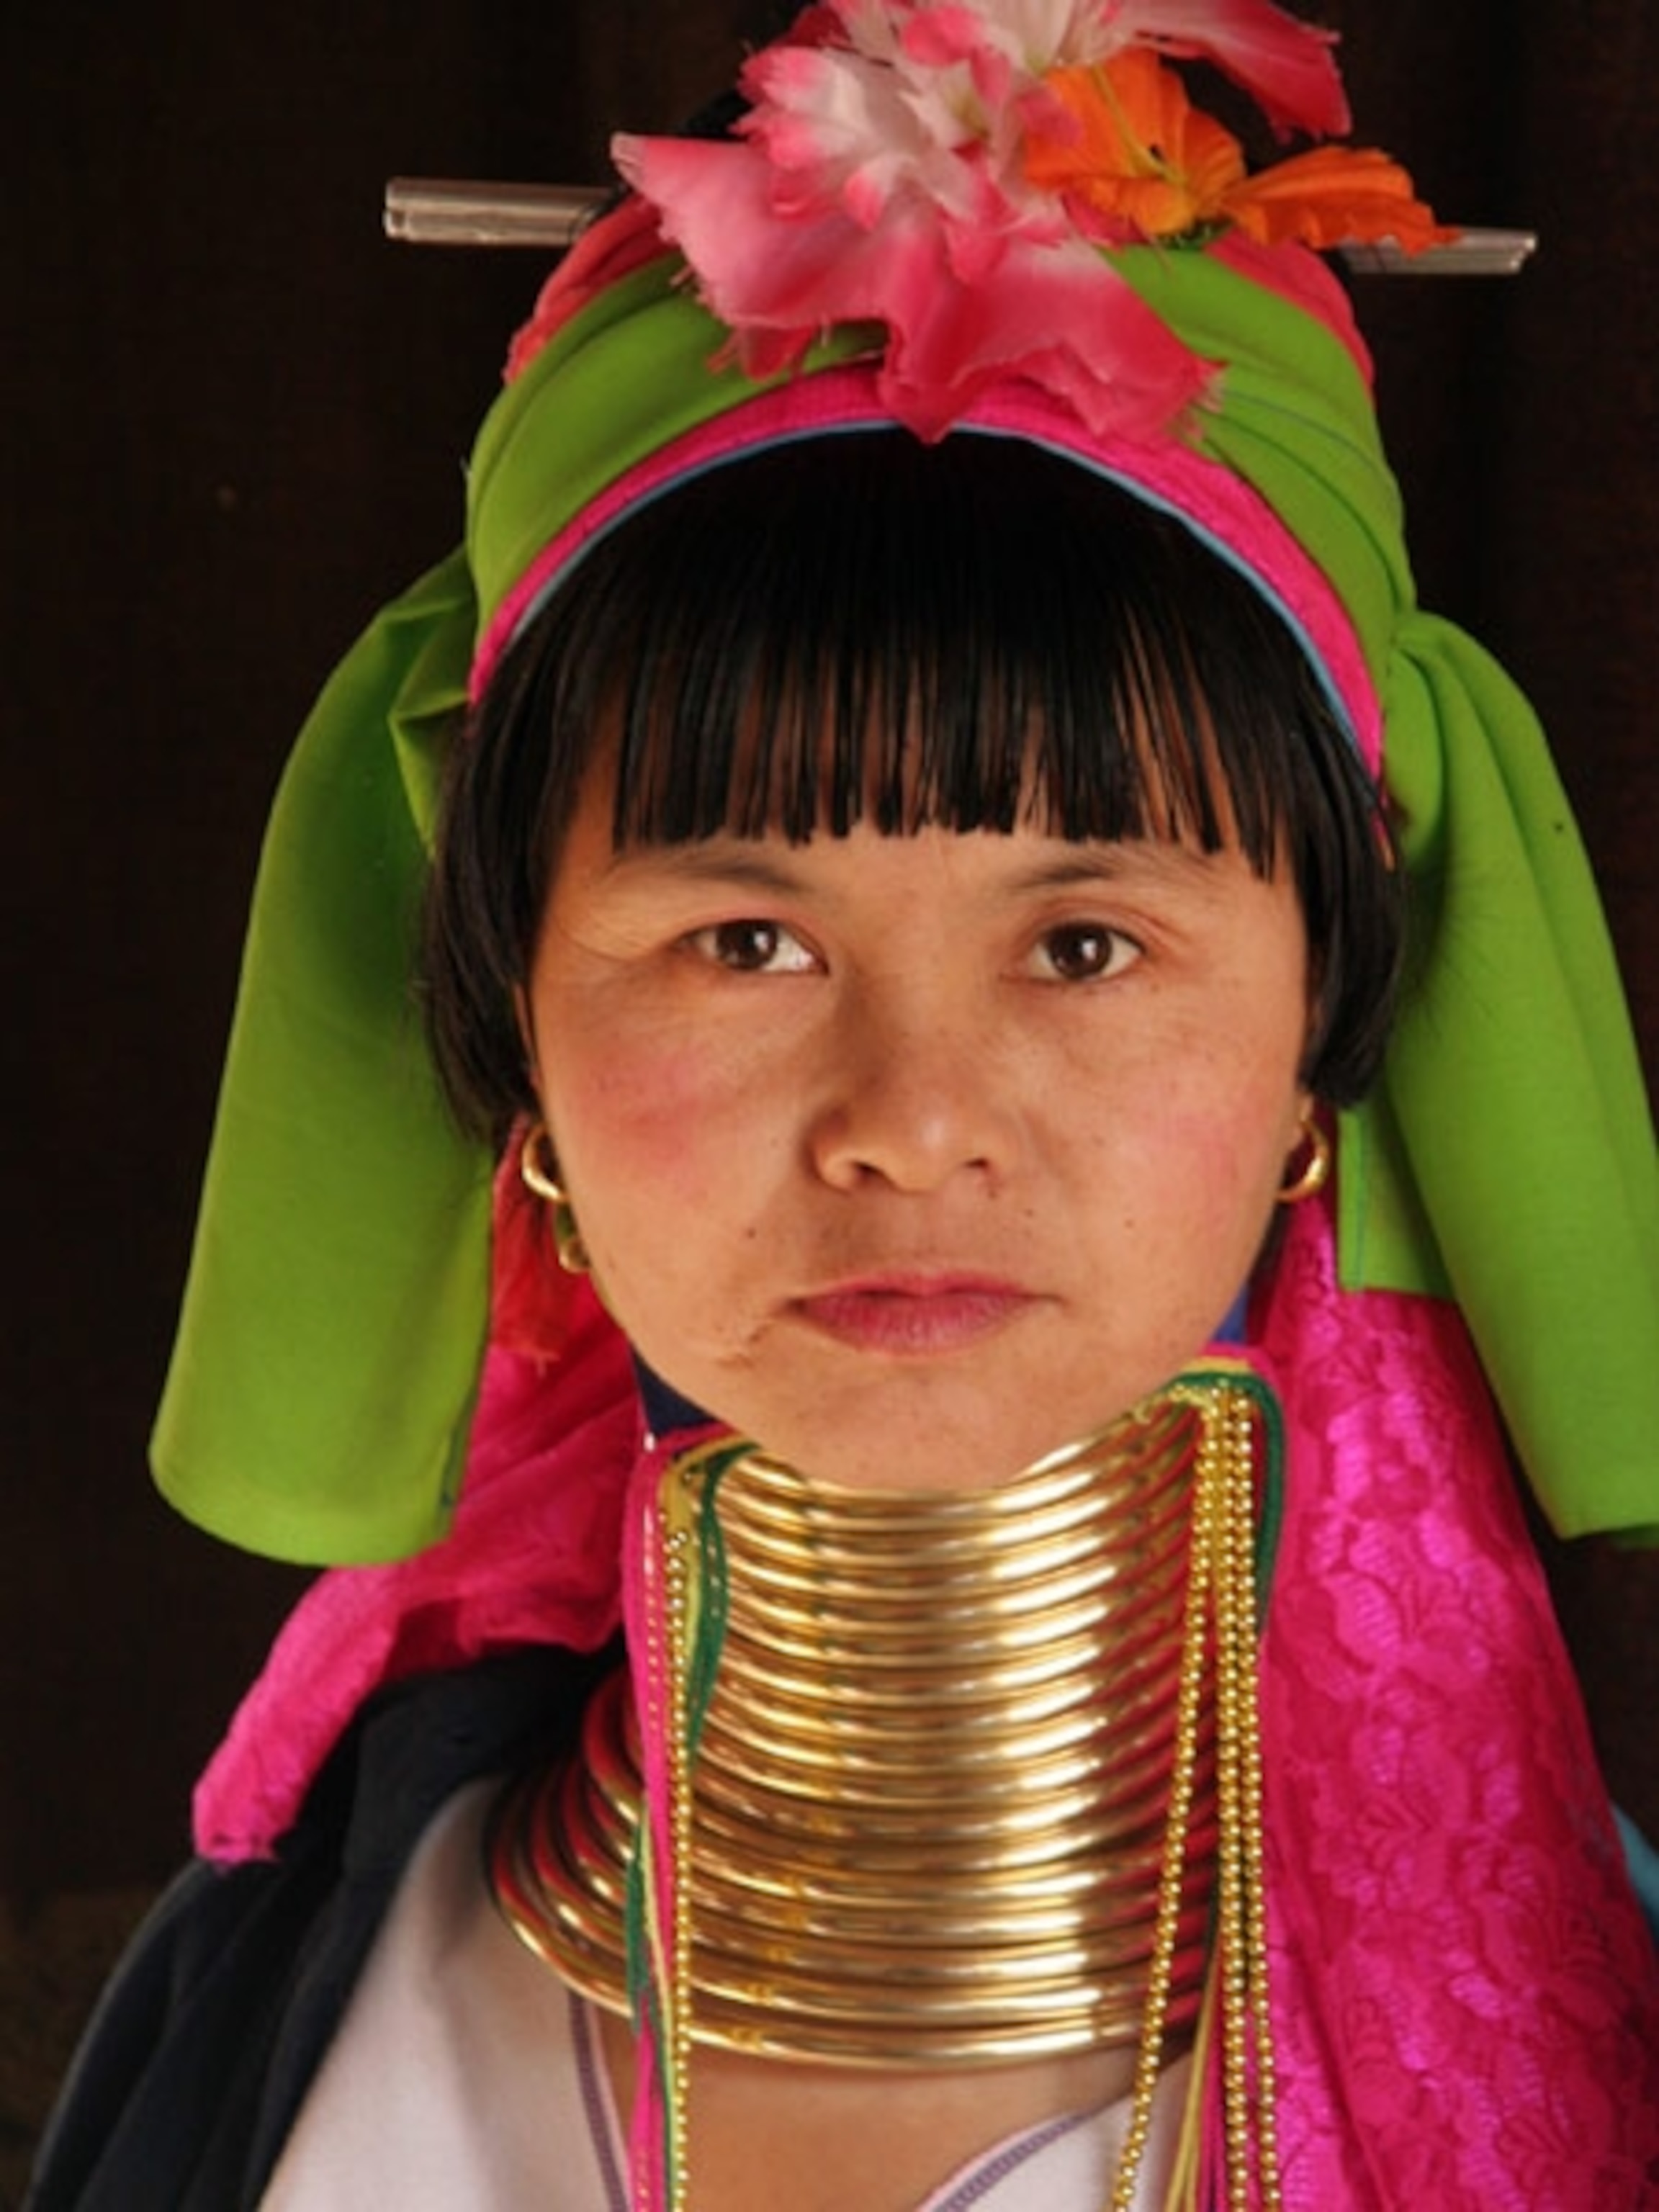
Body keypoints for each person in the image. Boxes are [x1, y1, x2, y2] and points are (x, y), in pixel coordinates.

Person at [28, 1, 1659, 2206]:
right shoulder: (290, 2010)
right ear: (515, 1038)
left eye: (1086, 947)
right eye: (744, 942)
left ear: (1321, 1036)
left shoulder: (1579, 2065)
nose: (912, 1121)